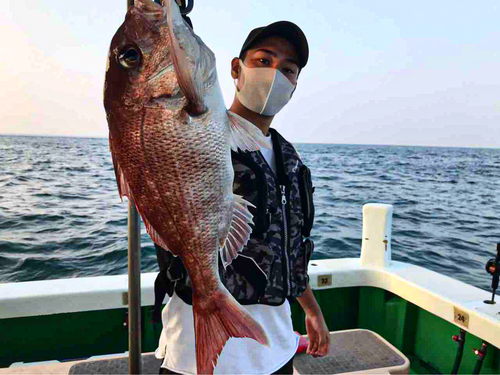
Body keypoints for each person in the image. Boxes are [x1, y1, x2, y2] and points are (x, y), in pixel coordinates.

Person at [154, 21, 330, 375]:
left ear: (294, 86)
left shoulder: (290, 160)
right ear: (236, 69)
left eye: (288, 70)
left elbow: (289, 252)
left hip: (275, 349)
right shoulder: (195, 132)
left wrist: (312, 311)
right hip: (198, 353)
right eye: (264, 60)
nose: (275, 74)